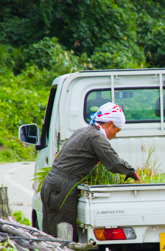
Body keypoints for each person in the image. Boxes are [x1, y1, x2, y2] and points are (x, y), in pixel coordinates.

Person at [40, 102, 139, 239]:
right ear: (109, 124)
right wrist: (131, 172)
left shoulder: (83, 131)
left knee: (50, 231)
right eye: (117, 131)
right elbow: (113, 162)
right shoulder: (96, 137)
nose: (115, 135)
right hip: (62, 187)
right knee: (63, 234)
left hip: (51, 184)